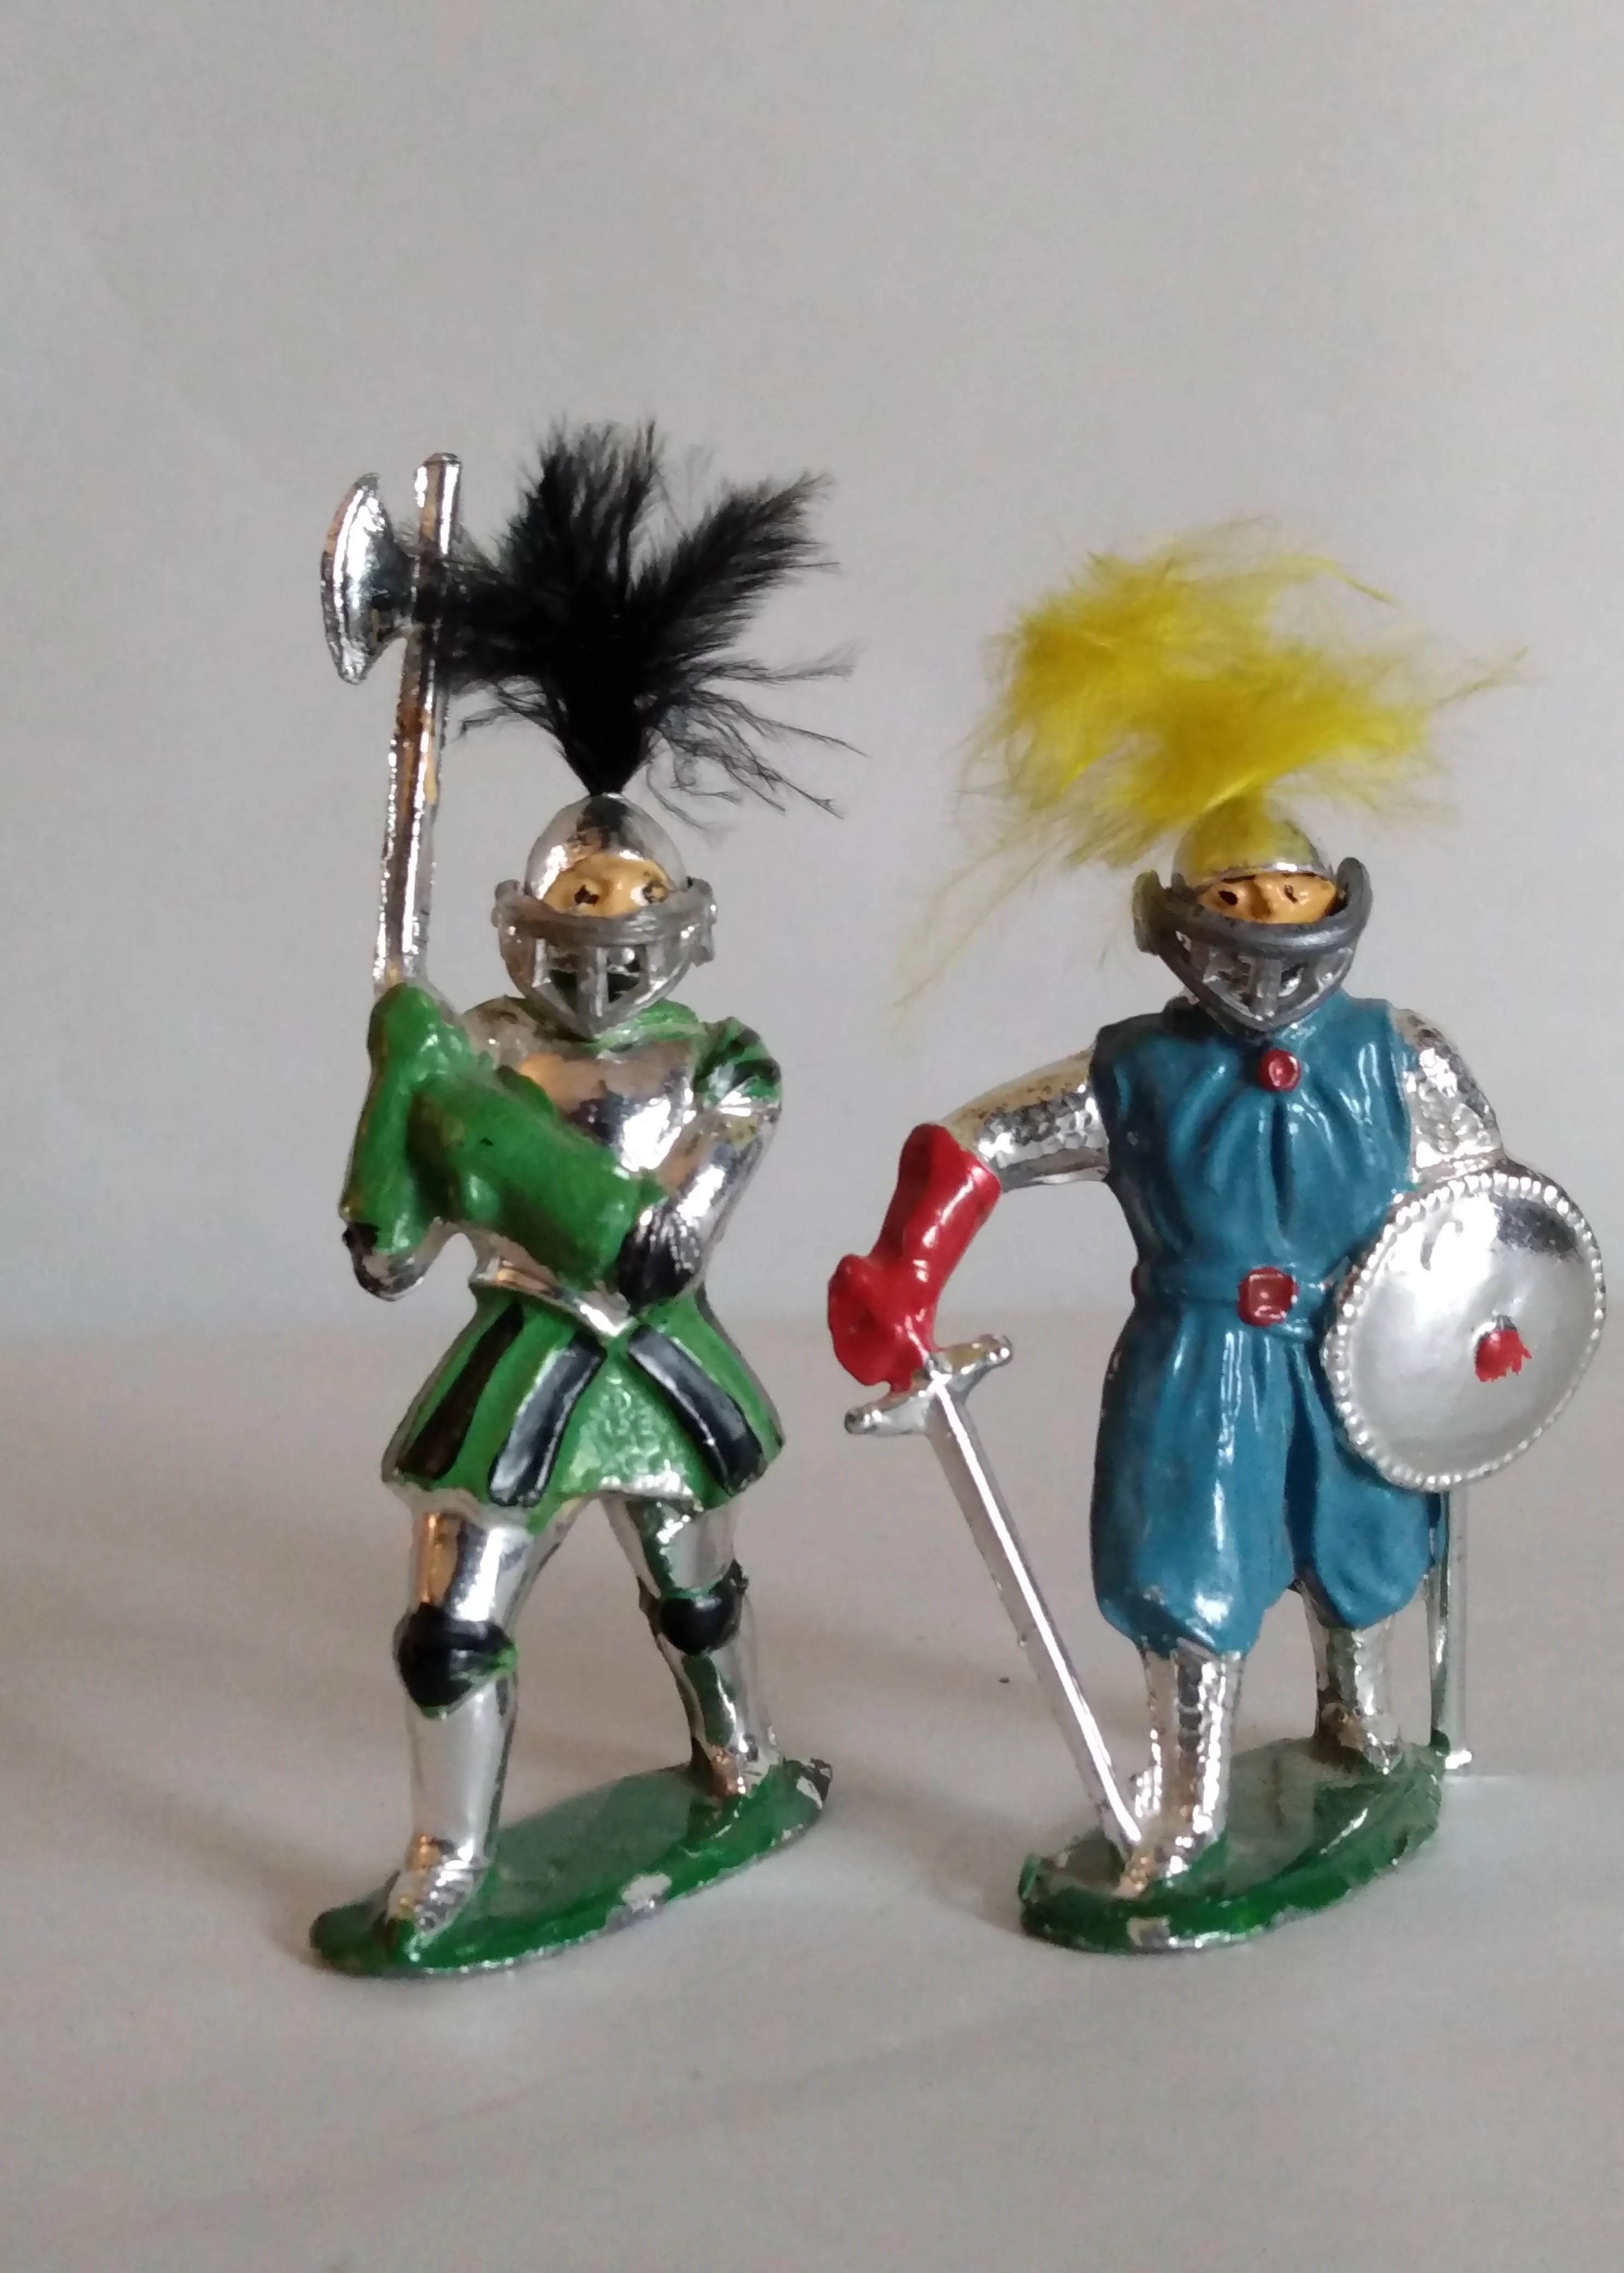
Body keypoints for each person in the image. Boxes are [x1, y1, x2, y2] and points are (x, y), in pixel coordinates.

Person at [828, 535, 1507, 1898]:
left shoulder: (1398, 1054)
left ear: (1333, 904)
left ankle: (1361, 1726)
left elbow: (1484, 1199)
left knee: (1367, 1540)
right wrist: (907, 1268)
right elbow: (977, 1142)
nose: (1263, 915)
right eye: (1232, 896)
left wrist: (1480, 1327)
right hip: (1201, 1358)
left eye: (1286, 893)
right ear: (1182, 921)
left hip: (1364, 1339)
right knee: (1185, 1559)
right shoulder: (1136, 1073)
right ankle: (1189, 1796)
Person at [322, 425, 835, 1968]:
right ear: (519, 926)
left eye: (623, 914)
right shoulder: (475, 1052)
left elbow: (669, 1237)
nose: (597, 948)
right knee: (449, 1630)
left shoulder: (722, 1064)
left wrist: (506, 1140)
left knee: (696, 1591)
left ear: (679, 927)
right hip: (522, 1358)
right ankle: (448, 1856)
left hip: (656, 1363)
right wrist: (402, 1091)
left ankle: (740, 1757)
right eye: (572, 912)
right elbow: (386, 1256)